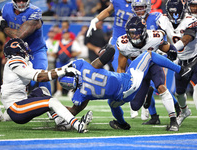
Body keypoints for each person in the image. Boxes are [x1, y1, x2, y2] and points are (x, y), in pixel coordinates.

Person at [59, 32, 196, 132]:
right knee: (149, 55)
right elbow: (111, 50)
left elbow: (74, 110)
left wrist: (56, 112)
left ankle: (122, 124)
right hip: (129, 81)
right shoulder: (86, 66)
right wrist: (104, 50)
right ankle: (181, 69)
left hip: (123, 96)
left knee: (112, 104)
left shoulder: (80, 95)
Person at [0, 38, 93, 133]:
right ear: (18, 51)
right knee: (52, 101)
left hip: (19, 103)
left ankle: (60, 122)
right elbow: (40, 77)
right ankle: (78, 125)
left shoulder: (22, 63)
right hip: (16, 109)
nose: (26, 50)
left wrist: (66, 67)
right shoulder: (14, 61)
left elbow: (43, 73)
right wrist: (64, 71)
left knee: (43, 90)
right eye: (23, 48)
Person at [124, 0, 181, 126]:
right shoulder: (133, 21)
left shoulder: (157, 17)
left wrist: (168, 49)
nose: (139, 10)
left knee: (159, 86)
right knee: (137, 101)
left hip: (157, 55)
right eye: (136, 8)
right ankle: (155, 115)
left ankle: (175, 112)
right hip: (141, 59)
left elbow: (163, 36)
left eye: (141, 7)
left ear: (148, 7)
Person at [0, 0, 51, 93]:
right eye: (19, 0)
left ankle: (47, 100)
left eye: (24, 0)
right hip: (18, 52)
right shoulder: (6, 8)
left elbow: (19, 35)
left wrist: (3, 26)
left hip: (36, 50)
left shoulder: (34, 11)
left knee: (42, 76)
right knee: (13, 80)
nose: (21, 3)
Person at [158, 0, 197, 126]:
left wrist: (171, 50)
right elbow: (160, 38)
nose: (175, 16)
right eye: (172, 13)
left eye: (178, 13)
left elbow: (185, 40)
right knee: (179, 93)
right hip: (181, 59)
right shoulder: (163, 20)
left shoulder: (190, 20)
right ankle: (184, 111)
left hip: (194, 56)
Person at [86, 0, 133, 71]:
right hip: (117, 42)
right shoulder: (117, 1)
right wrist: (96, 19)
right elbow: (108, 11)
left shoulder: (139, 4)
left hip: (134, 42)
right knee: (119, 69)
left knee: (138, 70)